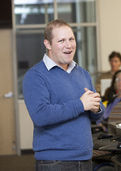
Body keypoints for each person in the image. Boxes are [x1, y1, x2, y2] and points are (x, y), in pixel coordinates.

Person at [22, 19, 105, 171]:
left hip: (85, 157)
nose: (68, 45)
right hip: (55, 161)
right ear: (48, 44)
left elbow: (97, 110)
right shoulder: (35, 76)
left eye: (71, 39)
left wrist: (96, 108)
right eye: (61, 40)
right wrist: (81, 105)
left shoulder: (82, 73)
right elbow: (41, 115)